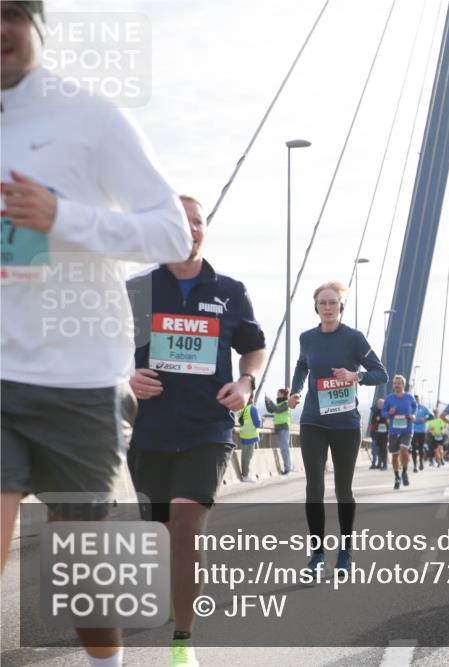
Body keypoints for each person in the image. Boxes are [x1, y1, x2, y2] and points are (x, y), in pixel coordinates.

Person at [1, 3, 192, 665]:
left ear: (37, 23)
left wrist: (63, 217)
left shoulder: (90, 117)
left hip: (76, 383)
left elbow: (171, 233)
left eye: (8, 13)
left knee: (78, 566)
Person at [126, 195, 264, 667]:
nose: (190, 230)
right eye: (177, 223)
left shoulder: (230, 290)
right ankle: (172, 587)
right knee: (163, 535)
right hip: (149, 431)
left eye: (197, 222)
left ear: (206, 229)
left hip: (208, 426)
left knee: (187, 527)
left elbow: (253, 349)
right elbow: (103, 348)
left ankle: (182, 643)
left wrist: (246, 382)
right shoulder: (137, 290)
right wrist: (125, 376)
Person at [289, 281, 387, 580]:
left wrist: (354, 376)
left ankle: (345, 551)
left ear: (340, 308)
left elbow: (380, 372)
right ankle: (317, 555)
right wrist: (294, 391)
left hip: (345, 424)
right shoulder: (307, 338)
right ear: (316, 308)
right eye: (323, 303)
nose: (328, 308)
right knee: (314, 488)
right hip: (313, 421)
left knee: (343, 490)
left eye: (333, 303)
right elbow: (302, 366)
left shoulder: (354, 339)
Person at [382, 375, 417, 490]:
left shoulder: (409, 397)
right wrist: (389, 413)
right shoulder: (389, 399)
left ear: (403, 385)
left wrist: (412, 415)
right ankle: (397, 476)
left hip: (407, 429)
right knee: (394, 456)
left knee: (404, 449)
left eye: (399, 383)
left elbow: (415, 408)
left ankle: (404, 472)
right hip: (393, 430)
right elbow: (383, 413)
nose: (396, 385)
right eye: (395, 383)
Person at [265, 388, 293, 474]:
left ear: (283, 394)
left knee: (285, 449)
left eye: (278, 393)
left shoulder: (286, 403)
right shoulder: (279, 403)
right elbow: (270, 410)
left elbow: (277, 410)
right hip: (278, 428)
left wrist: (271, 401)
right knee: (282, 449)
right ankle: (287, 467)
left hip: (284, 428)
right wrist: (267, 402)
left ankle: (288, 468)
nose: (277, 394)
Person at [236, 402, 261, 482]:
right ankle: (246, 476)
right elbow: (257, 424)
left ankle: (245, 474)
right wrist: (262, 420)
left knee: (244, 456)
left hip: (244, 435)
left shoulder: (242, 409)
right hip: (251, 435)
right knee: (248, 457)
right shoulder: (252, 409)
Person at [411, 396, 433, 472]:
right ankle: (414, 466)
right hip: (413, 431)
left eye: (417, 400)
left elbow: (432, 416)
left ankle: (421, 462)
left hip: (422, 431)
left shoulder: (424, 408)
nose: (415, 401)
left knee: (420, 448)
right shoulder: (410, 407)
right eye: (414, 400)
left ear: (419, 400)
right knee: (413, 448)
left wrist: (425, 419)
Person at [368, 398, 389, 470]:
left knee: (384, 448)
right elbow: (373, 422)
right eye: (379, 403)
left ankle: (385, 464)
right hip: (377, 433)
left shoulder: (386, 411)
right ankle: (379, 464)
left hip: (385, 434)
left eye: (381, 403)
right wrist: (376, 421)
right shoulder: (376, 412)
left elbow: (388, 421)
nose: (380, 405)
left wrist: (381, 420)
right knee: (378, 449)